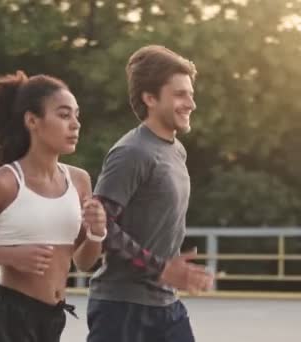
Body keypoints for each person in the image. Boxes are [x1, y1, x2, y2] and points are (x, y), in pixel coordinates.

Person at [0, 70, 107, 342]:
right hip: (7, 319)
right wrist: (10, 256)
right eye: (64, 115)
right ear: (32, 120)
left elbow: (83, 261)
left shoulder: (79, 180)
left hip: (53, 319)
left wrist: (97, 232)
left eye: (77, 115)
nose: (75, 124)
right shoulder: (2, 183)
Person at [84, 45, 215, 342]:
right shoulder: (131, 152)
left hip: (166, 304)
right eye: (180, 94)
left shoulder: (176, 150)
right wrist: (161, 268)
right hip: (123, 309)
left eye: (191, 94)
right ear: (150, 98)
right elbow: (102, 226)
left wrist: (168, 268)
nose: (191, 103)